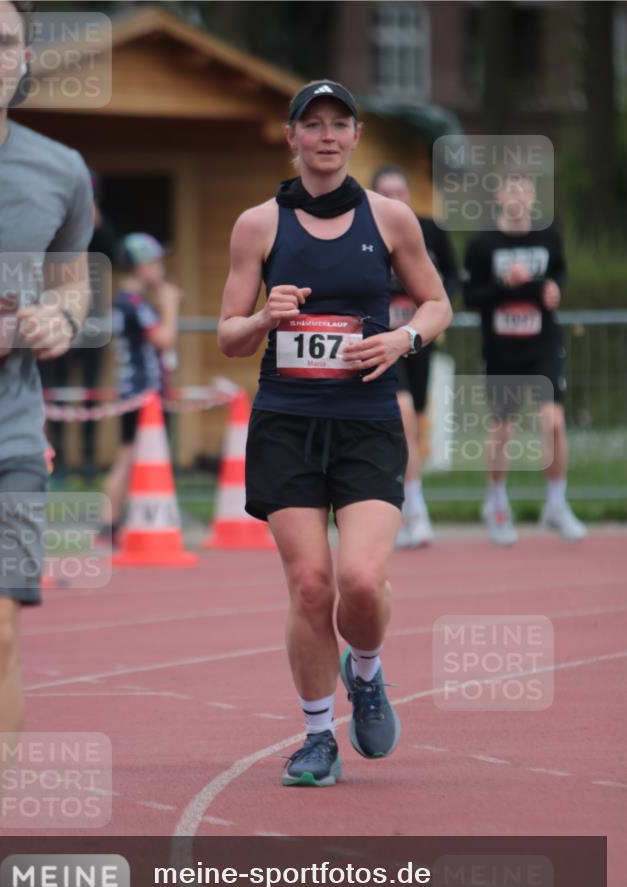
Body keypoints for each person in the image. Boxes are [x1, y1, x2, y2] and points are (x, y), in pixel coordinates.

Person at [218, 80, 451, 787]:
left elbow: (438, 303)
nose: (324, 135)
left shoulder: (389, 219)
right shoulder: (257, 225)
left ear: (354, 137)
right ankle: (318, 735)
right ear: (290, 137)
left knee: (358, 578)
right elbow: (227, 334)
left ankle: (368, 672)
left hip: (367, 423)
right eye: (310, 124)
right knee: (311, 585)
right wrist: (263, 320)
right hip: (287, 422)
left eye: (338, 124)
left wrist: (401, 340)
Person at [0, 0, 93, 887]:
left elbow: (73, 274)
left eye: (4, 40)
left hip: (7, 441)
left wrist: (64, 319)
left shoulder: (61, 170)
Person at [463, 172, 586, 545]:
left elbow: (559, 273)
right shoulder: (482, 244)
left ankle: (556, 503)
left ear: (533, 196)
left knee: (553, 421)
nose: (517, 196)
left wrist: (554, 290)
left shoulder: (548, 236)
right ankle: (497, 503)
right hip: (501, 350)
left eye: (524, 189)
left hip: (543, 344)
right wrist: (505, 285)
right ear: (499, 195)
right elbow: (470, 297)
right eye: (510, 189)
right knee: (503, 430)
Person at [372, 166, 458, 548]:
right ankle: (412, 508)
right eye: (385, 192)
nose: (394, 199)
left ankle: (409, 500)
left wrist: (440, 313)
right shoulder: (364, 231)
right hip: (382, 342)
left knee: (414, 422)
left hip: (418, 339)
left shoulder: (430, 230)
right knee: (403, 413)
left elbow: (452, 278)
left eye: (400, 192)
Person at [38, 169, 121, 479]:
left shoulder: (100, 228)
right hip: (58, 320)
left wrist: (96, 223)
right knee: (55, 392)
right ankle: (57, 460)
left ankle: (88, 460)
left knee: (90, 393)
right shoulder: (52, 224)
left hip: (94, 324)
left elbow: (116, 253)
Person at [99, 233, 181, 542]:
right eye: (155, 262)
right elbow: (165, 339)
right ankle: (110, 520)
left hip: (135, 390)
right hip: (141, 392)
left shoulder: (125, 302)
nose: (161, 269)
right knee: (131, 456)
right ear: (140, 266)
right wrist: (170, 304)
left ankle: (114, 519)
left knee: (131, 455)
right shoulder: (133, 304)